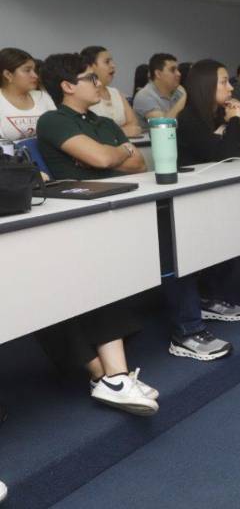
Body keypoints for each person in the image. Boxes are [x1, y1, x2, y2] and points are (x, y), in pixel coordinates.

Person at [36, 53, 158, 415]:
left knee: (99, 274)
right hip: (73, 220)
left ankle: (109, 379)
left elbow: (138, 163)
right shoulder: (53, 120)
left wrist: (107, 155)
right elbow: (106, 161)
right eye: (90, 77)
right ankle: (113, 377)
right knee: (91, 276)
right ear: (67, 86)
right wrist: (116, 152)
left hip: (115, 209)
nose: (99, 82)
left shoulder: (103, 122)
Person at [81, 46, 143, 138]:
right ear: (90, 67)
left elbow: (134, 125)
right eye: (107, 62)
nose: (113, 65)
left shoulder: (115, 92)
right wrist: (122, 131)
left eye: (112, 61)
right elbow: (88, 131)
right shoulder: (83, 95)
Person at [0, 47, 56, 142]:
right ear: (8, 74)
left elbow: (57, 130)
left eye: (34, 70)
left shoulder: (43, 97)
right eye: (27, 70)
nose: (35, 76)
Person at [131, 53, 187, 127]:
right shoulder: (144, 96)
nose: (179, 74)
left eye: (178, 70)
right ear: (158, 74)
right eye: (173, 70)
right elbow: (163, 126)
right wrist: (183, 98)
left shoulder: (178, 92)